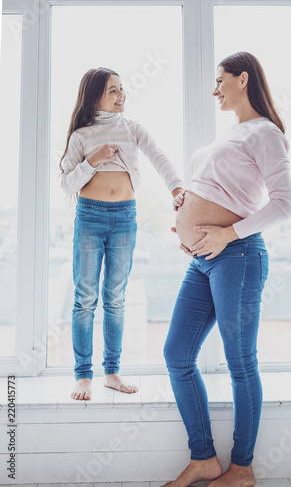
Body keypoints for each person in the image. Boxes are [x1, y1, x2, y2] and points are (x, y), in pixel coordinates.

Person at [163, 52, 291, 487]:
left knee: (240, 362)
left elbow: (283, 204)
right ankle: (203, 458)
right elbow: (218, 191)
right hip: (203, 261)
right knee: (177, 355)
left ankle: (241, 469)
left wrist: (224, 234)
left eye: (220, 80)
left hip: (237, 258)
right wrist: (187, 213)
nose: (214, 89)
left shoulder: (265, 133)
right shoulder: (233, 135)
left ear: (243, 79)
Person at [59, 67, 183, 401]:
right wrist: (94, 160)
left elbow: (158, 156)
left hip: (125, 217)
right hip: (90, 217)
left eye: (122, 89)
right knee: (85, 298)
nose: (121, 95)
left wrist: (175, 188)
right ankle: (83, 376)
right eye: (113, 90)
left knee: (115, 297)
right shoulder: (81, 136)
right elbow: (67, 183)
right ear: (95, 95)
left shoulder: (132, 129)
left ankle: (111, 372)